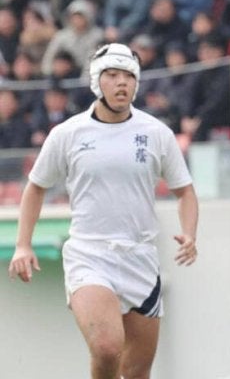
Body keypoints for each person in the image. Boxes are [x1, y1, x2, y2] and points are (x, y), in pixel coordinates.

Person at [7, 43, 199, 379]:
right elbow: (36, 187)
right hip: (90, 254)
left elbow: (185, 191)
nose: (122, 82)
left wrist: (190, 234)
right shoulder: (67, 133)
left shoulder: (156, 133)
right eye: (112, 75)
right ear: (97, 81)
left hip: (140, 257)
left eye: (129, 76)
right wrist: (23, 244)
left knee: (137, 372)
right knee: (107, 347)